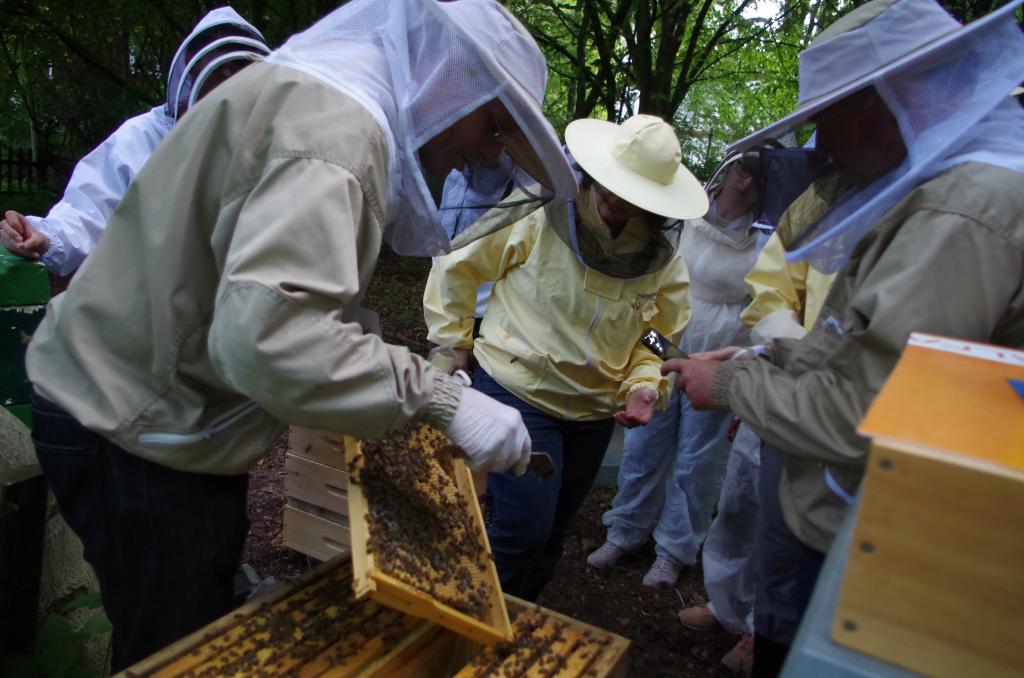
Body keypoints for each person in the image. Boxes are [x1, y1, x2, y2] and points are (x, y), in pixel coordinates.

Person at [24, 0, 576, 670]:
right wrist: (440, 398)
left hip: (132, 396)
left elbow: (265, 296)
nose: (487, 154)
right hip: (134, 421)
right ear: (449, 79)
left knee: (188, 621)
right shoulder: (342, 137)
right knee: (173, 656)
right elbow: (270, 337)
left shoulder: (322, 93)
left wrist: (415, 379)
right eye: (493, 127)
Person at [663, 0, 1024, 674]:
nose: (822, 145)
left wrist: (734, 384)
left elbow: (872, 417)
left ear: (894, 95)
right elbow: (889, 362)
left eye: (829, 115)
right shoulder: (966, 187)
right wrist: (762, 352)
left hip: (877, 533)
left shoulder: (959, 210)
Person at [424, 113, 707, 600]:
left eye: (636, 194)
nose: (618, 200)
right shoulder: (537, 213)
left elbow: (660, 336)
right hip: (520, 393)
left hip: (593, 414)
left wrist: (645, 385)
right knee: (523, 529)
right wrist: (456, 343)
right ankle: (474, 619)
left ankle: (522, 616)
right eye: (615, 185)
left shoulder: (662, 262)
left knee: (552, 531)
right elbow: (457, 265)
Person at [676, 185, 843, 677]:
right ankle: (728, 606)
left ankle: (760, 629)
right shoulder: (822, 195)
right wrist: (775, 348)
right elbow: (772, 280)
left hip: (836, 410)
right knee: (743, 501)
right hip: (779, 376)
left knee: (800, 531)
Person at [587, 151, 764, 589]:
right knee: (642, 444)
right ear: (729, 169)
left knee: (697, 462)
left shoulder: (767, 240)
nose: (746, 182)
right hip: (661, 342)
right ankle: (625, 531)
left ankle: (673, 550)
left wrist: (733, 362)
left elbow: (767, 307)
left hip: (719, 360)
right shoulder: (682, 216)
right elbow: (651, 280)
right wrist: (652, 345)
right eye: (744, 169)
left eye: (758, 176)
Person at [0, 8, 271, 276]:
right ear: (191, 69)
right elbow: (89, 211)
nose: (226, 86)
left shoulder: (277, 138)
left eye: (237, 75)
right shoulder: (143, 137)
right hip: (161, 305)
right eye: (218, 73)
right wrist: (42, 235)